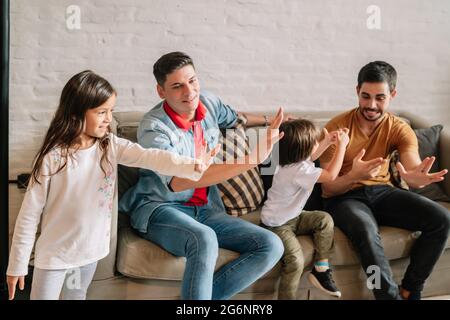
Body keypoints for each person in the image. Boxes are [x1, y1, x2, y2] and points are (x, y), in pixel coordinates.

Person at [6, 70, 218, 300]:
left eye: (111, 111)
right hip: (55, 255)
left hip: (88, 253)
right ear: (77, 112)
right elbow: (29, 215)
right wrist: (17, 265)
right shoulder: (53, 157)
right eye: (101, 112)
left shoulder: (110, 146)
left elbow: (149, 156)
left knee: (75, 297)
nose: (109, 119)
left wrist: (191, 165)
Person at [119, 51, 286, 300]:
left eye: (192, 81)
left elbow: (234, 117)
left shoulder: (207, 103)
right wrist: (250, 160)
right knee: (204, 238)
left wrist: (268, 120)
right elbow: (177, 182)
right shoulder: (153, 128)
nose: (189, 92)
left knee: (271, 245)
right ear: (161, 91)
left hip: (206, 209)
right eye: (177, 86)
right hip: (161, 208)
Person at [319, 61, 450, 300]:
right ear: (357, 91)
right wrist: (354, 176)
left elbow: (411, 163)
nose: (371, 105)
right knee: (366, 231)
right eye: (365, 96)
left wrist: (414, 177)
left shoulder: (399, 128)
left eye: (380, 98)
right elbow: (328, 189)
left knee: (442, 219)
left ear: (393, 94)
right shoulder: (336, 127)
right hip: (344, 198)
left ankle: (411, 289)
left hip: (382, 192)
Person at [260, 119, 349, 299]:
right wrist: (341, 147)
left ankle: (321, 268)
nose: (316, 144)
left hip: (293, 217)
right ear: (302, 149)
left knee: (323, 219)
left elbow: (312, 155)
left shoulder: (291, 160)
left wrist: (327, 142)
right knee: (295, 262)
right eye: (314, 142)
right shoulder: (298, 170)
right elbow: (331, 175)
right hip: (276, 225)